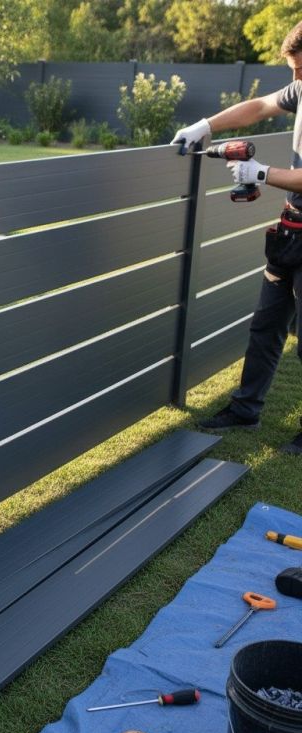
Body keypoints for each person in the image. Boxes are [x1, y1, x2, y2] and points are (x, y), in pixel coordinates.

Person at [171, 21, 302, 455]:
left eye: (300, 69)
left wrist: (262, 173)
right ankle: (245, 410)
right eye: (293, 71)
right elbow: (260, 106)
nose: (296, 81)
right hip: (292, 230)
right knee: (266, 326)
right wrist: (205, 125)